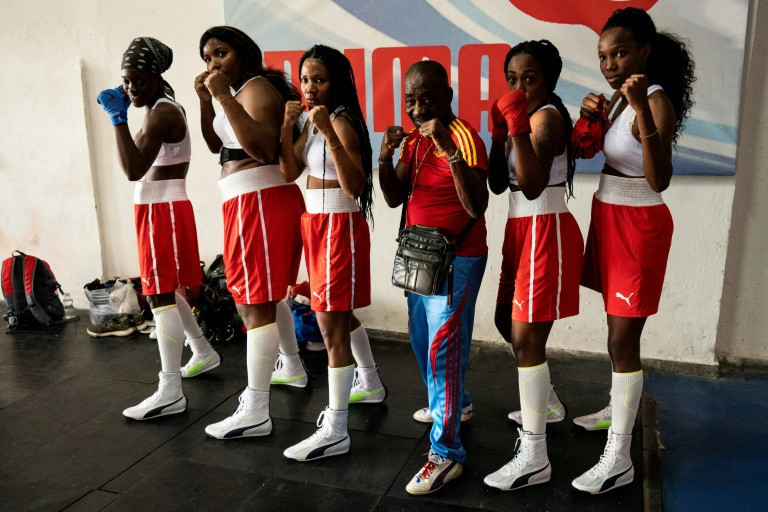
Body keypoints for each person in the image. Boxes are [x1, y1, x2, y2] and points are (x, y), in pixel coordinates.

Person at [571, 7, 695, 494]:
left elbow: (659, 177)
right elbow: (596, 150)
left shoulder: (654, 99)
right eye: (603, 56)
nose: (610, 64)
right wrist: (592, 115)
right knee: (616, 329)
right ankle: (615, 406)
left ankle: (619, 457)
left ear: (645, 51)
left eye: (620, 53)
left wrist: (641, 105)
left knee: (625, 338)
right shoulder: (620, 99)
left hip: (638, 224)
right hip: (608, 212)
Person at [378, 60, 489, 495]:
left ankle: (446, 455)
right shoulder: (412, 143)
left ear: (448, 97)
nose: (419, 108)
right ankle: (455, 404)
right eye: (411, 100)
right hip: (420, 256)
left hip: (457, 258)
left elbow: (477, 205)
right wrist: (386, 157)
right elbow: (392, 196)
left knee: (443, 350)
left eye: (428, 98)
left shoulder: (465, 137)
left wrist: (450, 149)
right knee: (421, 338)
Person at [97, 37, 221, 420]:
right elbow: (138, 163)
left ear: (155, 75)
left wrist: (118, 118)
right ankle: (201, 349)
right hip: (161, 207)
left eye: (138, 80)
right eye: (126, 81)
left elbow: (134, 169)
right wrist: (128, 109)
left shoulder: (161, 114)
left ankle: (170, 391)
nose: (131, 87)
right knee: (164, 288)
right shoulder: (158, 107)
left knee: (158, 296)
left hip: (161, 208)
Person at [482, 40, 584, 491]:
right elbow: (496, 184)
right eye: (512, 80)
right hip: (518, 228)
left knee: (526, 337)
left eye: (530, 78)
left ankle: (535, 454)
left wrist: (517, 126)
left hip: (544, 225)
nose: (519, 87)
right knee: (508, 322)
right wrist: (499, 136)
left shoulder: (547, 118)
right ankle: (549, 403)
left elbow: (530, 183)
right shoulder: (520, 120)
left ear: (550, 81)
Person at [277, 44, 386, 461]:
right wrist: (290, 126)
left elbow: (356, 186)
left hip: (339, 224)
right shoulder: (311, 118)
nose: (310, 87)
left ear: (336, 81)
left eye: (319, 79)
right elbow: (289, 172)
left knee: (329, 324)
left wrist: (326, 132)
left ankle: (336, 427)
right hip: (315, 223)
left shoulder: (341, 123)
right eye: (305, 80)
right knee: (336, 314)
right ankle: (370, 382)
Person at [196, 26, 306, 439]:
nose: (213, 64)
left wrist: (223, 95)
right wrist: (208, 99)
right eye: (207, 58)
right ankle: (292, 367)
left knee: (251, 304)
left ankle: (256, 409)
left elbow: (263, 149)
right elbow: (215, 144)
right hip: (248, 201)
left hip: (258, 200)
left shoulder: (257, 88)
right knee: (266, 294)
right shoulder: (239, 91)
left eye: (221, 53)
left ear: (243, 53)